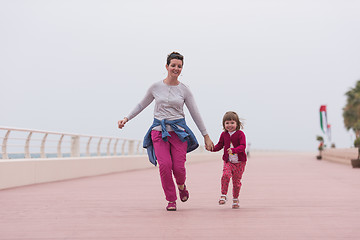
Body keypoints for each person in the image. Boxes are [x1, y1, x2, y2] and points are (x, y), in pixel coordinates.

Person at [118, 52, 214, 211]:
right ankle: (171, 199)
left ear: (182, 68)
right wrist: (126, 118)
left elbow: (195, 113)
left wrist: (206, 136)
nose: (176, 68)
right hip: (159, 132)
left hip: (179, 133)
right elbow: (141, 105)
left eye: (179, 66)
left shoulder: (185, 90)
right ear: (167, 66)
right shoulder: (155, 87)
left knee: (178, 168)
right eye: (173, 65)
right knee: (164, 166)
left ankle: (182, 185)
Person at [211, 111, 247, 209]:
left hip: (240, 162)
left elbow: (243, 146)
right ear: (224, 124)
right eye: (227, 123)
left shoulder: (240, 134)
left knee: (236, 182)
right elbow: (219, 145)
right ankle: (224, 194)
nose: (229, 125)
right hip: (228, 161)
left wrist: (234, 150)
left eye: (232, 123)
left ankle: (235, 198)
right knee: (225, 175)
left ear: (237, 124)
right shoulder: (224, 134)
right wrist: (211, 148)